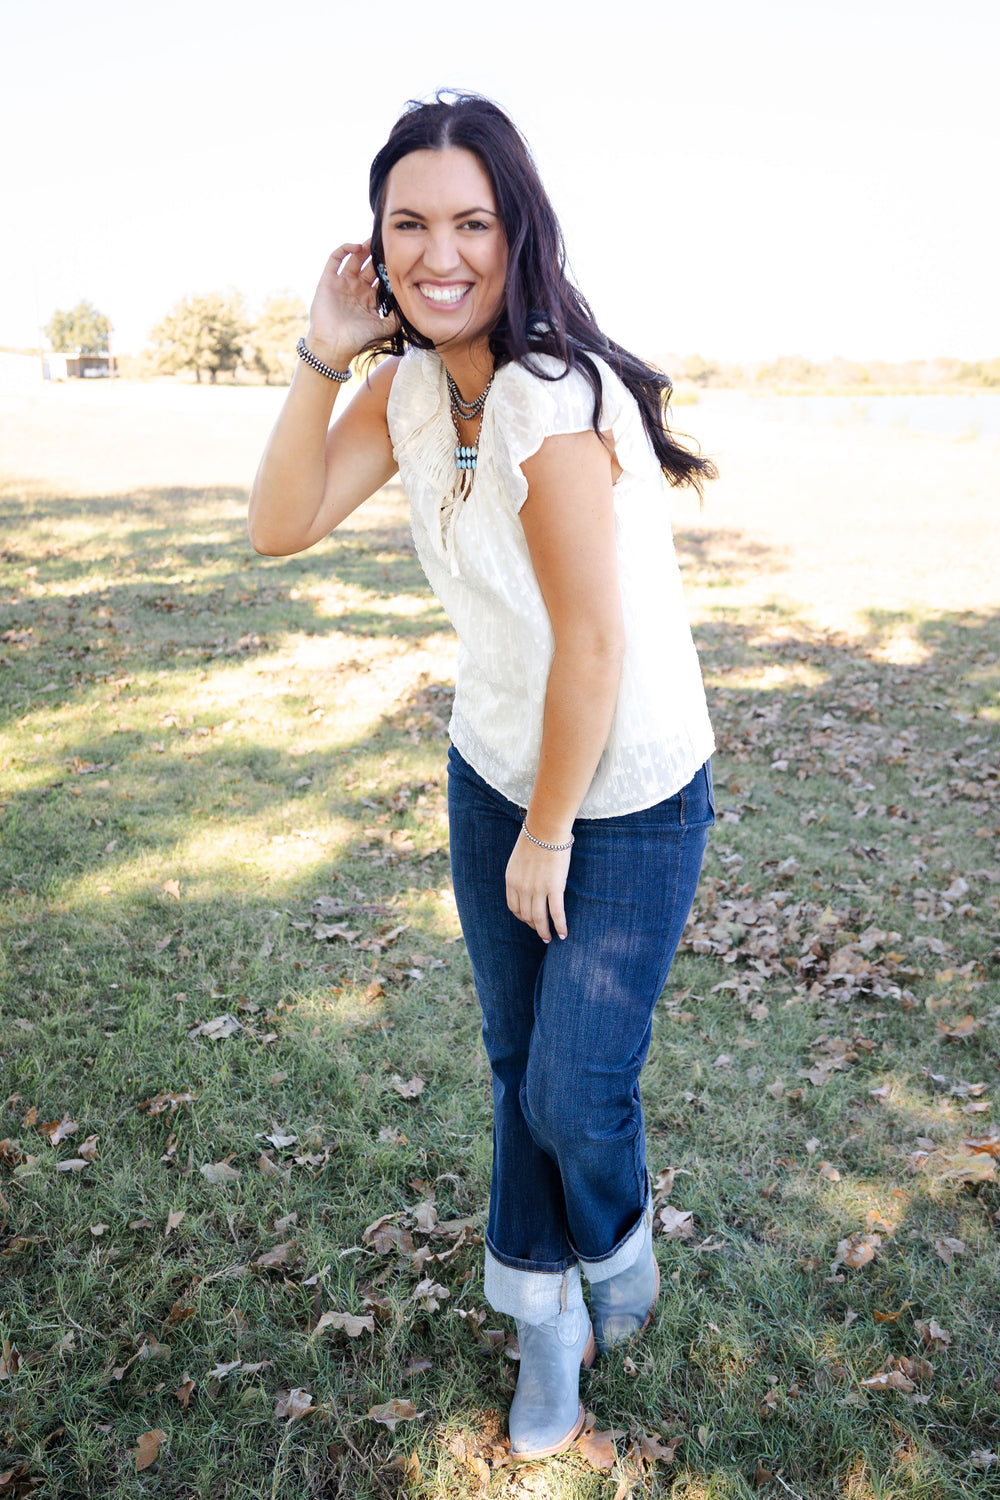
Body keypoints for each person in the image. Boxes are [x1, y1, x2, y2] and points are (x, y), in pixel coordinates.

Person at [248, 92, 716, 1462]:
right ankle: (546, 1327)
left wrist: (550, 832)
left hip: (623, 789)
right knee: (518, 1069)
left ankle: (618, 1247)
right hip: (492, 763)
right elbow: (280, 526)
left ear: (518, 232)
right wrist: (318, 356)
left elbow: (597, 639)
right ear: (374, 244)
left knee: (577, 1090)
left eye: (471, 221)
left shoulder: (548, 393)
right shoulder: (402, 388)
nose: (439, 252)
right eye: (409, 224)